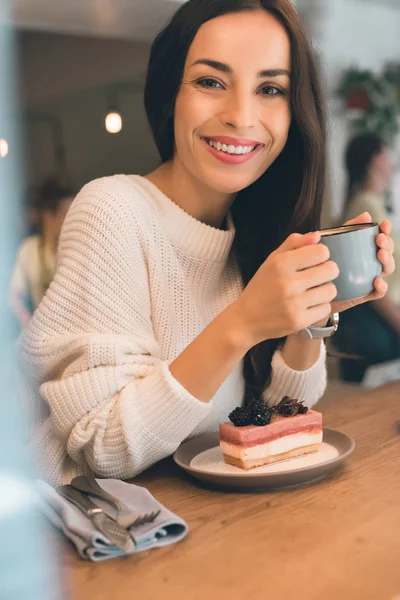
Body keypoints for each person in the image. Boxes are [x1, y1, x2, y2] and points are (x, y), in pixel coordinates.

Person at [18, 0, 395, 485]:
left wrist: (312, 313)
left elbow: (279, 414)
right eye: (210, 81)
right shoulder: (112, 210)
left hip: (197, 527)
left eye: (270, 88)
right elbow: (103, 447)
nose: (240, 116)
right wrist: (242, 322)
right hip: (82, 540)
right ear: (168, 92)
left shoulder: (250, 230)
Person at [333, 133, 400, 382]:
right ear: (375, 160)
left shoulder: (370, 204)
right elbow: (370, 281)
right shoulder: (366, 206)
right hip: (376, 325)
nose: (391, 161)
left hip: (378, 323)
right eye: (386, 154)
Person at [9, 178, 75, 329]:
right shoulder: (29, 249)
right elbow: (15, 297)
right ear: (48, 215)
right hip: (42, 334)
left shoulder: (76, 247)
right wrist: (25, 320)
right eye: (66, 213)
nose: (72, 218)